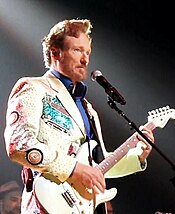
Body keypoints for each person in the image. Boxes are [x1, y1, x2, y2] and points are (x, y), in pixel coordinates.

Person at [4, 18, 154, 214]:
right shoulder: (34, 88)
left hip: (84, 207)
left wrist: (138, 156)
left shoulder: (88, 109)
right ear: (55, 53)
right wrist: (73, 169)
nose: (85, 59)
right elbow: (19, 145)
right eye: (77, 50)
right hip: (44, 204)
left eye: (87, 52)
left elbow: (96, 167)